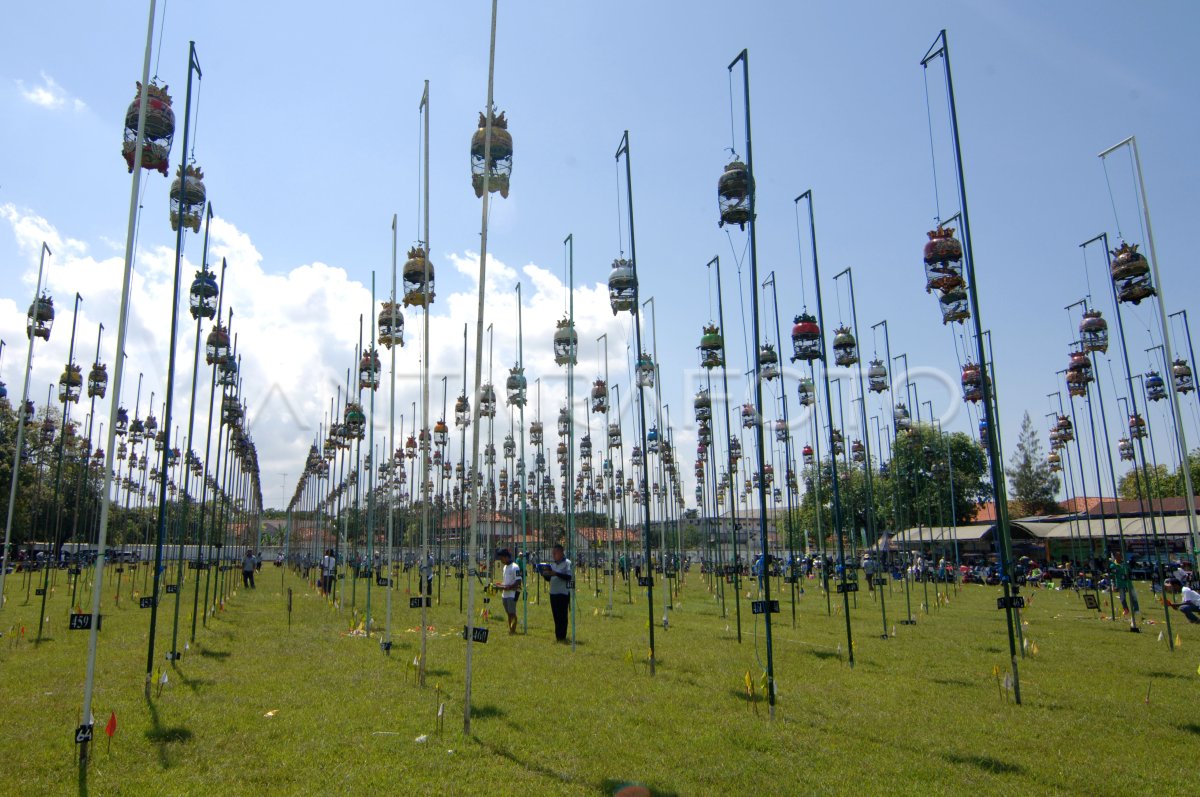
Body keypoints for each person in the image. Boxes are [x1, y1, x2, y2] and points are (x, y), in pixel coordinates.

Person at [540, 544, 573, 642]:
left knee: (562, 616)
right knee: (555, 615)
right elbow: (549, 578)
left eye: (555, 553)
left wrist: (556, 573)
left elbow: (569, 577)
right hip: (553, 593)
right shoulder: (553, 565)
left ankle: (562, 636)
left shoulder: (567, 563)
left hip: (563, 593)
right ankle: (558, 636)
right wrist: (544, 574)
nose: (553, 555)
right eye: (552, 553)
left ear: (561, 552)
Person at [493, 549, 522, 635]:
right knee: (508, 613)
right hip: (504, 594)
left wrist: (509, 587)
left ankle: (513, 630)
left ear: (506, 557)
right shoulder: (505, 567)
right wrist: (500, 585)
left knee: (512, 613)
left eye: (501, 558)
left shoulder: (515, 567)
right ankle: (510, 629)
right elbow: (506, 581)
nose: (501, 560)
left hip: (512, 594)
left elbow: (518, 582)